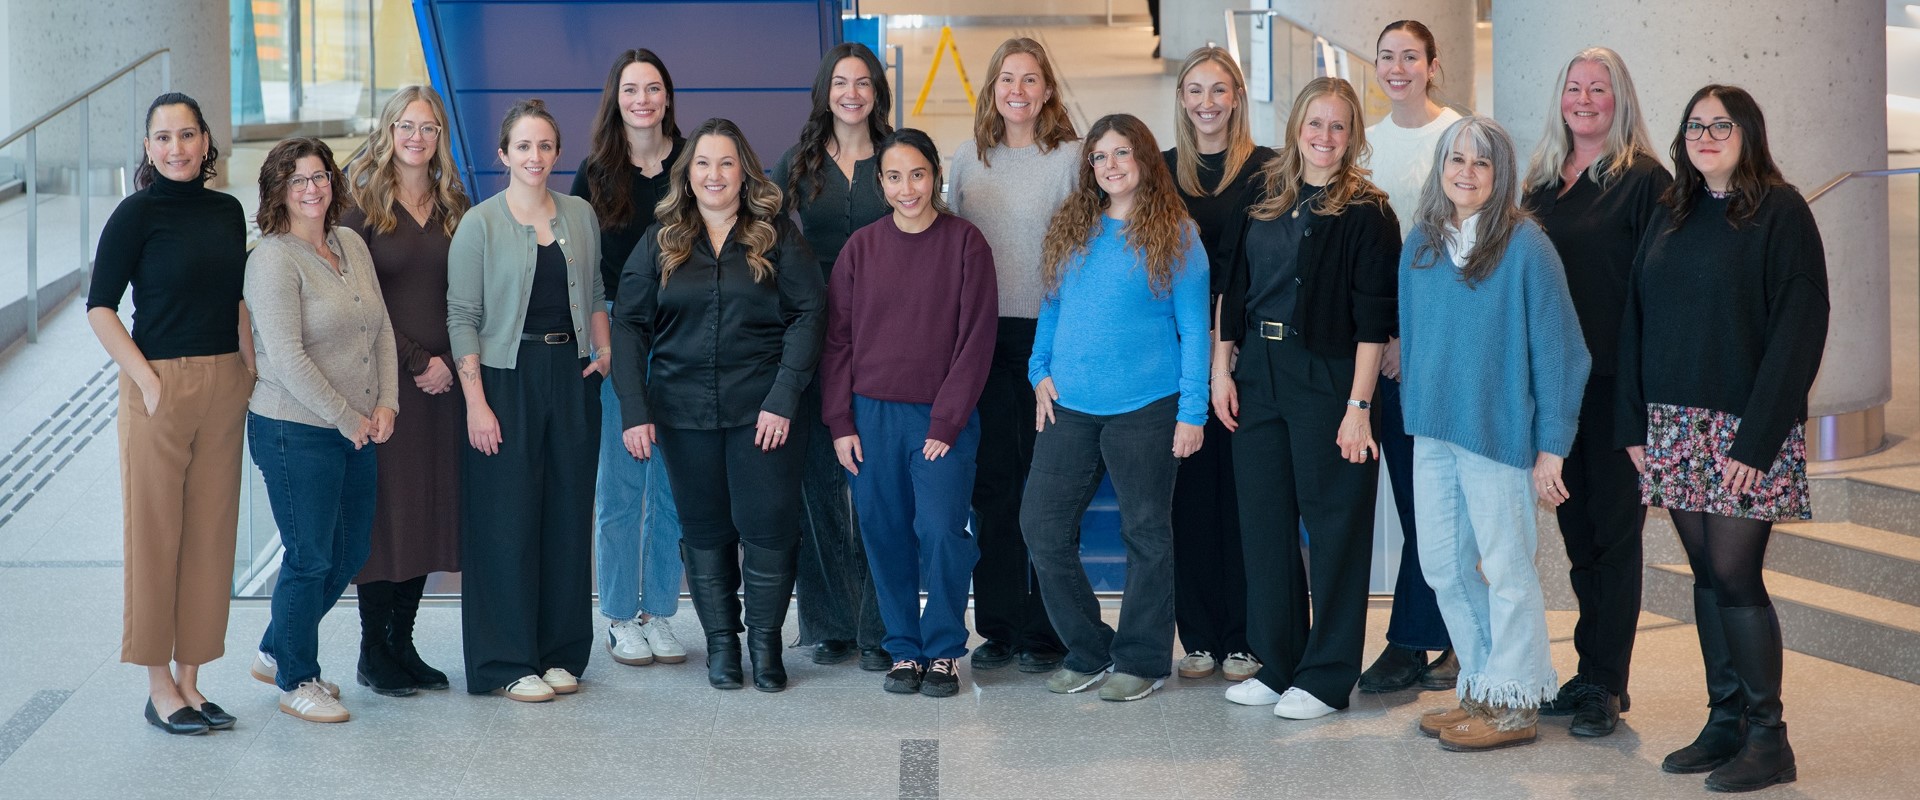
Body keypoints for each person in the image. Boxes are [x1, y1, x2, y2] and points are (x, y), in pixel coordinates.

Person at [1619, 85, 1827, 793]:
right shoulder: (1671, 210)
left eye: (1721, 125)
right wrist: (1633, 424)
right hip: (1674, 425)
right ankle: (1726, 720)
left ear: (1748, 134)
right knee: (1707, 577)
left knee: (1737, 578)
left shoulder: (1781, 212)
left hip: (1746, 432)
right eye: (1695, 125)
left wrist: (1758, 442)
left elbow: (1802, 326)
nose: (1706, 135)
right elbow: (1634, 319)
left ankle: (1770, 740)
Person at [612, 117, 824, 693]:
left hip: (766, 414)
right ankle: (723, 649)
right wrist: (635, 408)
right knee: (705, 531)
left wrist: (784, 397)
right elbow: (628, 323)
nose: (714, 174)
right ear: (688, 174)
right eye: (703, 163)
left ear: (744, 172)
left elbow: (810, 313)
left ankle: (765, 645)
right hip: (682, 414)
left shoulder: (777, 234)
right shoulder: (661, 239)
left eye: (726, 163)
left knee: (768, 528)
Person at [1400, 115, 1588, 752]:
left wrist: (1552, 447)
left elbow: (1563, 354)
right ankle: (1481, 686)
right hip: (1432, 434)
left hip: (1499, 436)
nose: (1466, 172)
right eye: (1456, 160)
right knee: (1443, 568)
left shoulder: (1526, 246)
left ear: (1500, 173)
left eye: (1481, 163)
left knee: (1508, 568)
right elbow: (1418, 339)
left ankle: (1515, 702)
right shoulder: (1421, 243)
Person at [1211, 77, 1398, 720]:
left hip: (1329, 375)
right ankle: (1277, 661)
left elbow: (1376, 321)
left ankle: (1325, 676)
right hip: (1256, 371)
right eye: (1314, 123)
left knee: (1336, 527)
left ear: (1353, 137)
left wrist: (1359, 407)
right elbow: (1232, 289)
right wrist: (1221, 368)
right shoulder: (1263, 193)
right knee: (1264, 524)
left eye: (1338, 127)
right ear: (1296, 126)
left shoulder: (1369, 211)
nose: (1324, 137)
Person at [1021, 114, 1209, 703]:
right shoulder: (1073, 226)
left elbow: (1195, 330)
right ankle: (1089, 647)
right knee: (1041, 526)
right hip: (1069, 405)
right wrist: (1038, 371)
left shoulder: (1177, 234)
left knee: (1146, 534)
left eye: (1121, 153)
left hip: (1147, 407)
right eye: (1099, 157)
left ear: (1145, 159)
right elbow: (1051, 305)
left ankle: (1144, 658)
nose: (1110, 166)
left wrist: (1192, 411)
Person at [87, 92, 252, 736]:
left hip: (223, 384)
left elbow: (233, 295)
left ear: (206, 141)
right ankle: (158, 687)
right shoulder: (136, 214)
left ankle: (192, 681)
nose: (177, 148)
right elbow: (101, 307)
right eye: (163, 137)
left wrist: (248, 367)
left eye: (187, 135)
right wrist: (147, 381)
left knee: (212, 535)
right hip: (158, 384)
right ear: (149, 148)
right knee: (156, 536)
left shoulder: (227, 210)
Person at [1519, 47, 1671, 737]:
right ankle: (1589, 671)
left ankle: (1606, 683)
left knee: (1615, 539)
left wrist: (1646, 408)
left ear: (1621, 99)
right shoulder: (1542, 183)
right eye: (1574, 86)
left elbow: (1659, 297)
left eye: (1599, 89)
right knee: (1578, 537)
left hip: (1617, 392)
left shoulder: (1645, 182)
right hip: (1558, 392)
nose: (1585, 99)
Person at [821, 129, 997, 697]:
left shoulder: (966, 244)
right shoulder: (860, 249)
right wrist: (841, 422)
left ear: (935, 177)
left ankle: (944, 648)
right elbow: (838, 343)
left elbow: (975, 341)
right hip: (871, 418)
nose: (907, 188)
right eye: (894, 177)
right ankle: (903, 648)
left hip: (940, 417)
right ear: (881, 183)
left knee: (942, 530)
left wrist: (946, 422)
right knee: (884, 531)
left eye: (917, 175)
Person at [447, 98, 609, 703]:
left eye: (544, 146)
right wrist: (476, 403)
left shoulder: (580, 214)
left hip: (571, 376)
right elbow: (462, 317)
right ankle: (505, 661)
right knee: (506, 521)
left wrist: (604, 347)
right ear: (503, 155)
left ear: (557, 152)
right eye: (523, 146)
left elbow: (593, 287)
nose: (534, 157)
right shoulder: (479, 224)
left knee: (567, 514)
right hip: (503, 379)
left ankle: (561, 652)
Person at [243, 137, 399, 723]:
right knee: (309, 556)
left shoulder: (350, 242)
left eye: (320, 176)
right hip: (294, 430)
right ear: (278, 191)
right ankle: (296, 678)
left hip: (356, 427)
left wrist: (387, 403)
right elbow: (284, 356)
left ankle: (275, 647)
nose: (313, 188)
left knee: (350, 549)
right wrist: (346, 416)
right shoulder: (272, 259)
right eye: (298, 180)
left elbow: (379, 328)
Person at [948, 37, 1079, 674]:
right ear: (993, 89)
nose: (1018, 91)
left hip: (1051, 343)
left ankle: (1049, 630)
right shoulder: (966, 163)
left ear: (1048, 90)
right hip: (983, 343)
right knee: (992, 489)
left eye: (1031, 80)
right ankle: (1000, 627)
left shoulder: (1074, 160)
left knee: (1046, 491)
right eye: (1007, 80)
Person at [341, 85, 472, 698]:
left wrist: (451, 361)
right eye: (406, 126)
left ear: (440, 137)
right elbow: (357, 301)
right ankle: (373, 650)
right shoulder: (359, 205)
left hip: (444, 386)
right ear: (388, 130)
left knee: (424, 512)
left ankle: (403, 642)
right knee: (385, 515)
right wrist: (420, 359)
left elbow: (469, 291)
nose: (417, 138)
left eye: (428, 128)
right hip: (386, 383)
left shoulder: (454, 205)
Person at [771, 42, 894, 671]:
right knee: (818, 483)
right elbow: (759, 238)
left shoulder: (899, 158)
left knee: (876, 485)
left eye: (863, 82)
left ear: (877, 91)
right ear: (824, 91)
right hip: (816, 338)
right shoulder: (796, 163)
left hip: (888, 338)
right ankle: (828, 624)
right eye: (841, 82)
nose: (852, 93)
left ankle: (881, 624)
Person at [570, 48, 688, 671]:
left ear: (668, 96)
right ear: (616, 100)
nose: (643, 100)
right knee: (621, 484)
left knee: (671, 484)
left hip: (686, 335)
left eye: (653, 88)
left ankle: (662, 611)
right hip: (618, 334)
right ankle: (619, 615)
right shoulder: (594, 174)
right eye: (630, 89)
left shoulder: (695, 162)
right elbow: (577, 269)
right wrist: (602, 340)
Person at [1162, 45, 1275, 684]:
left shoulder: (1266, 169)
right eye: (1195, 91)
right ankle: (1199, 636)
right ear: (1181, 99)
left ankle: (1244, 636)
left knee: (1244, 499)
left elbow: (1260, 268)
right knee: (1189, 501)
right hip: (1177, 359)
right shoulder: (1159, 169)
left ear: (1236, 98)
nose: (1207, 103)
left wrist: (1223, 356)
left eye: (1219, 90)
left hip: (1244, 355)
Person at [1357, 18, 1463, 693]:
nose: (1398, 68)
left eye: (1410, 57)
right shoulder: (1361, 144)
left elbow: (1460, 249)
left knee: (1435, 501)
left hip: (1438, 345)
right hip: (1377, 343)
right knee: (1412, 498)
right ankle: (1440, 634)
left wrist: (1408, 338)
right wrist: (1382, 337)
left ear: (1432, 64)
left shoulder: (1458, 135)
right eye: (1387, 57)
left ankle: (1418, 640)